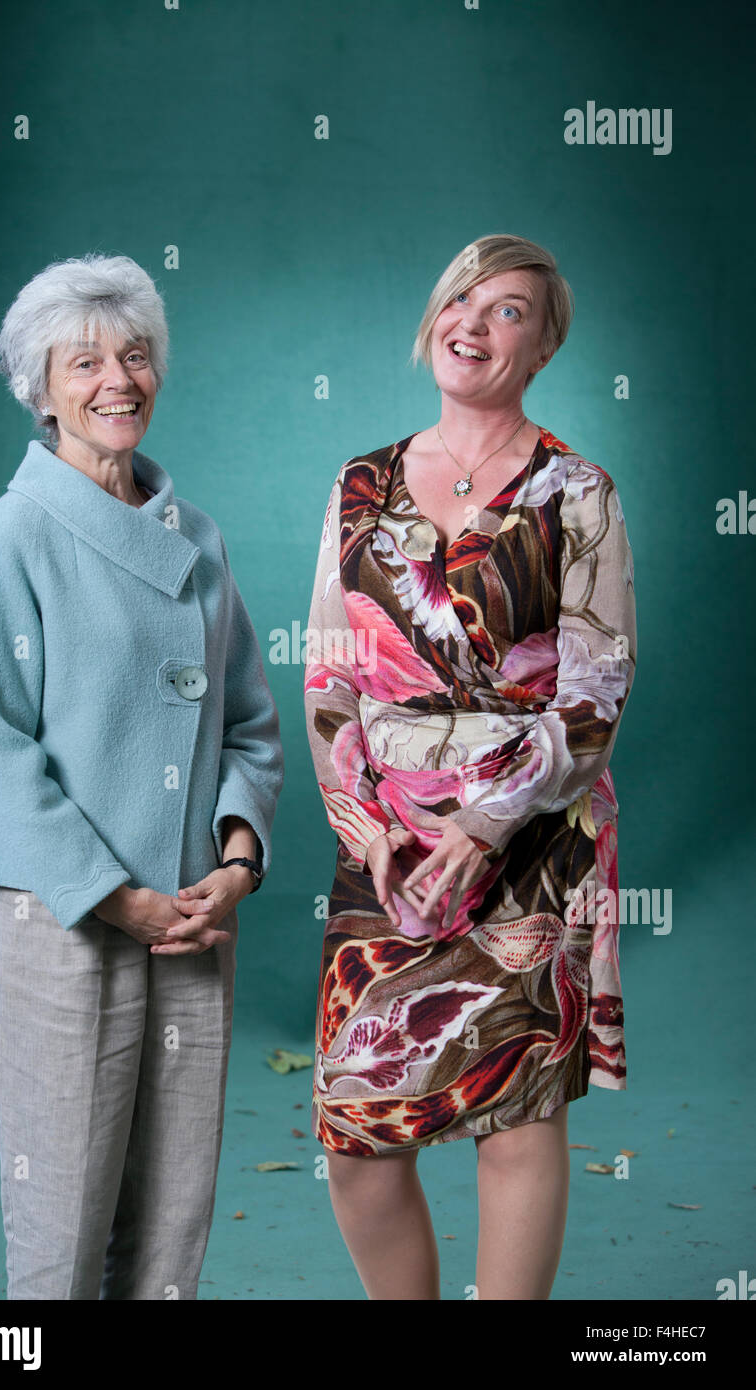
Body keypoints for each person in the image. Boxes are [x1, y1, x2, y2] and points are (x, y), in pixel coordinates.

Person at [303, 233, 637, 1300]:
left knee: (516, 1115)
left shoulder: (576, 491)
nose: (473, 322)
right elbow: (328, 671)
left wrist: (487, 819)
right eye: (461, 299)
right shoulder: (360, 483)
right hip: (389, 838)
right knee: (357, 1139)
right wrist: (367, 826)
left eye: (507, 311)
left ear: (539, 349)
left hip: (530, 839)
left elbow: (595, 691)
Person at [0, 252, 284, 1299]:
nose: (116, 380)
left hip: (190, 913)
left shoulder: (200, 538)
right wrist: (112, 897)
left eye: (134, 355)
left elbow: (249, 723)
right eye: (83, 360)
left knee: (171, 1208)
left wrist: (235, 860)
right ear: (40, 390)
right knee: (61, 1204)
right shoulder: (16, 531)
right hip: (62, 913)